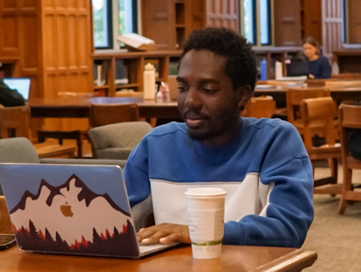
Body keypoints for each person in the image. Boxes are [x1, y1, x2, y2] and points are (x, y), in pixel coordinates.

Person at [125, 28, 315, 248]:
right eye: (183, 87)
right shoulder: (157, 145)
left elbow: (288, 228)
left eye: (207, 89)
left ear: (242, 95)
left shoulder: (275, 141)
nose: (190, 101)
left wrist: (200, 232)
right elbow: (114, 223)